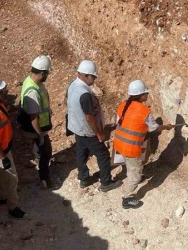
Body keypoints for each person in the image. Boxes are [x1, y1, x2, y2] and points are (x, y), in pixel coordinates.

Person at [113, 80, 174, 209]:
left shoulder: (123, 105)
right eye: (146, 92)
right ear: (141, 95)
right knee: (134, 173)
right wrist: (167, 127)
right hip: (131, 147)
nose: (147, 95)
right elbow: (154, 128)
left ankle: (136, 176)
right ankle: (127, 198)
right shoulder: (144, 111)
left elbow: (122, 123)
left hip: (119, 143)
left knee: (131, 165)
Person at [67, 60, 122, 192]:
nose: (95, 79)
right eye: (94, 76)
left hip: (77, 128)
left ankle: (84, 179)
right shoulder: (84, 94)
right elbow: (89, 116)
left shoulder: (72, 85)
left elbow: (66, 101)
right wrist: (99, 133)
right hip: (88, 131)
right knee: (103, 156)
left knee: (81, 153)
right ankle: (106, 183)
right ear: (86, 75)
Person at [0, 74, 25, 218]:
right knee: (12, 178)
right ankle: (13, 207)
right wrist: (3, 157)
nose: (3, 93)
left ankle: (2, 197)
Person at [19, 55, 53, 189]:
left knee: (39, 149)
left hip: (40, 125)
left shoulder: (31, 81)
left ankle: (38, 158)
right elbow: (34, 118)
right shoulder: (32, 91)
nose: (48, 76)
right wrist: (40, 135)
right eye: (48, 73)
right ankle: (44, 178)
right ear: (42, 73)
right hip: (37, 128)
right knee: (45, 151)